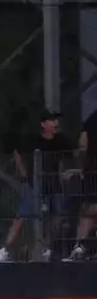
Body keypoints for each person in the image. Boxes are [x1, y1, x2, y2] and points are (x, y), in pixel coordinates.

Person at [0, 112, 75, 262]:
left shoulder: (62, 140)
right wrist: (22, 170)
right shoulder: (33, 140)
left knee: (57, 215)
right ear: (43, 124)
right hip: (34, 182)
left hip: (54, 183)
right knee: (22, 216)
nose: (56, 123)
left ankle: (47, 247)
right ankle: (6, 249)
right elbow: (16, 150)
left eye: (56, 120)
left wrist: (66, 172)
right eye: (52, 120)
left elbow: (71, 154)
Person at [67, 110, 97, 261]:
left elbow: (83, 145)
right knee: (89, 208)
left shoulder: (92, 119)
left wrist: (82, 166)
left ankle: (80, 245)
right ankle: (80, 246)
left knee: (88, 208)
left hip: (92, 169)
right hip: (92, 170)